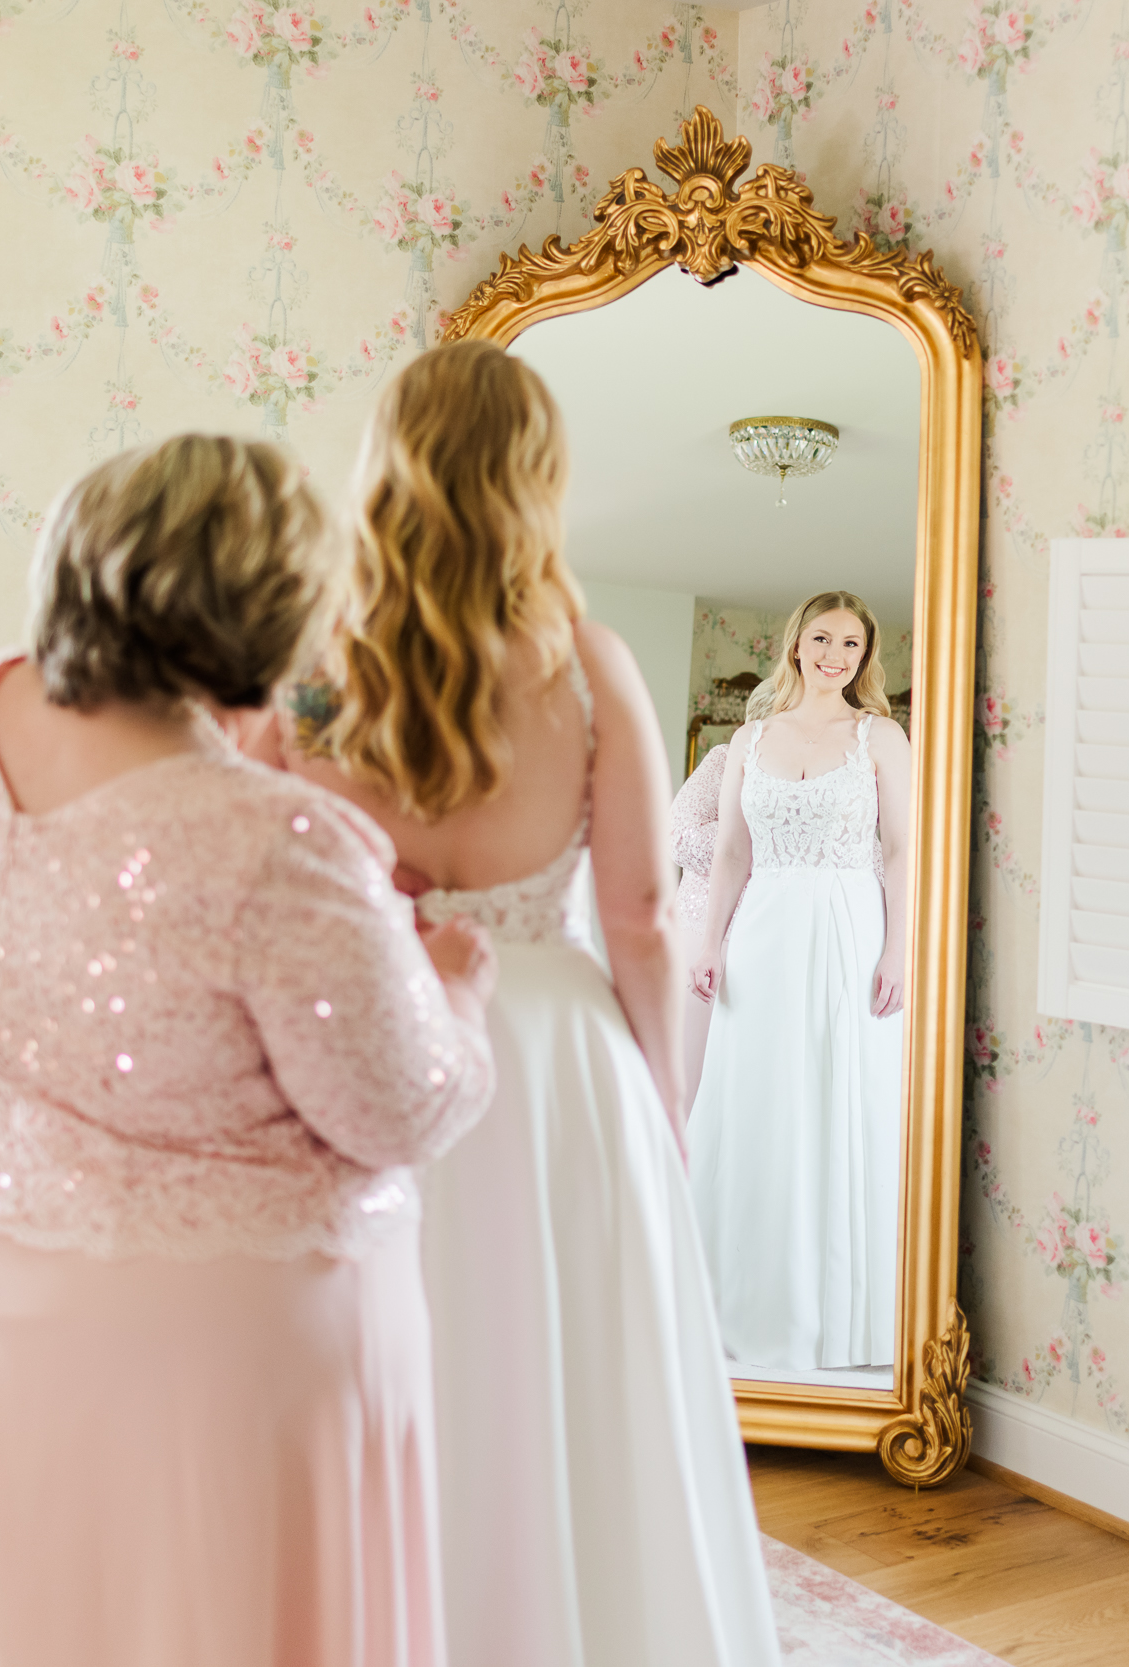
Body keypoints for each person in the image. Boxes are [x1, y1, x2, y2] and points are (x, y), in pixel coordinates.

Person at [0, 435, 498, 1667]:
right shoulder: (279, 838)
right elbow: (398, 1105)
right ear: (268, 613)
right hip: (174, 1354)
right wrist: (455, 992)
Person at [288, 341, 781, 1667]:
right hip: (560, 1056)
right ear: (533, 480)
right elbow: (639, 912)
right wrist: (666, 1106)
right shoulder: (581, 661)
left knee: (413, 1361)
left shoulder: (324, 676)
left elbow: (306, 874)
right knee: (585, 1382)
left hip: (392, 1033)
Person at [687, 591, 910, 1373]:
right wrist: (709, 941)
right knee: (759, 1105)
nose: (834, 655)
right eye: (822, 638)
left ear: (864, 656)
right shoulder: (750, 739)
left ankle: (841, 1319)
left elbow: (899, 853)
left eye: (851, 643)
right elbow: (730, 857)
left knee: (841, 1103)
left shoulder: (881, 736)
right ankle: (743, 1306)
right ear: (795, 645)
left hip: (852, 931)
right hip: (764, 933)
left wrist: (898, 950)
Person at [670, 742, 732, 1121]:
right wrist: (770, 841)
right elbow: (680, 836)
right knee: (690, 1068)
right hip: (701, 936)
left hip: (772, 939)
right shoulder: (725, 758)